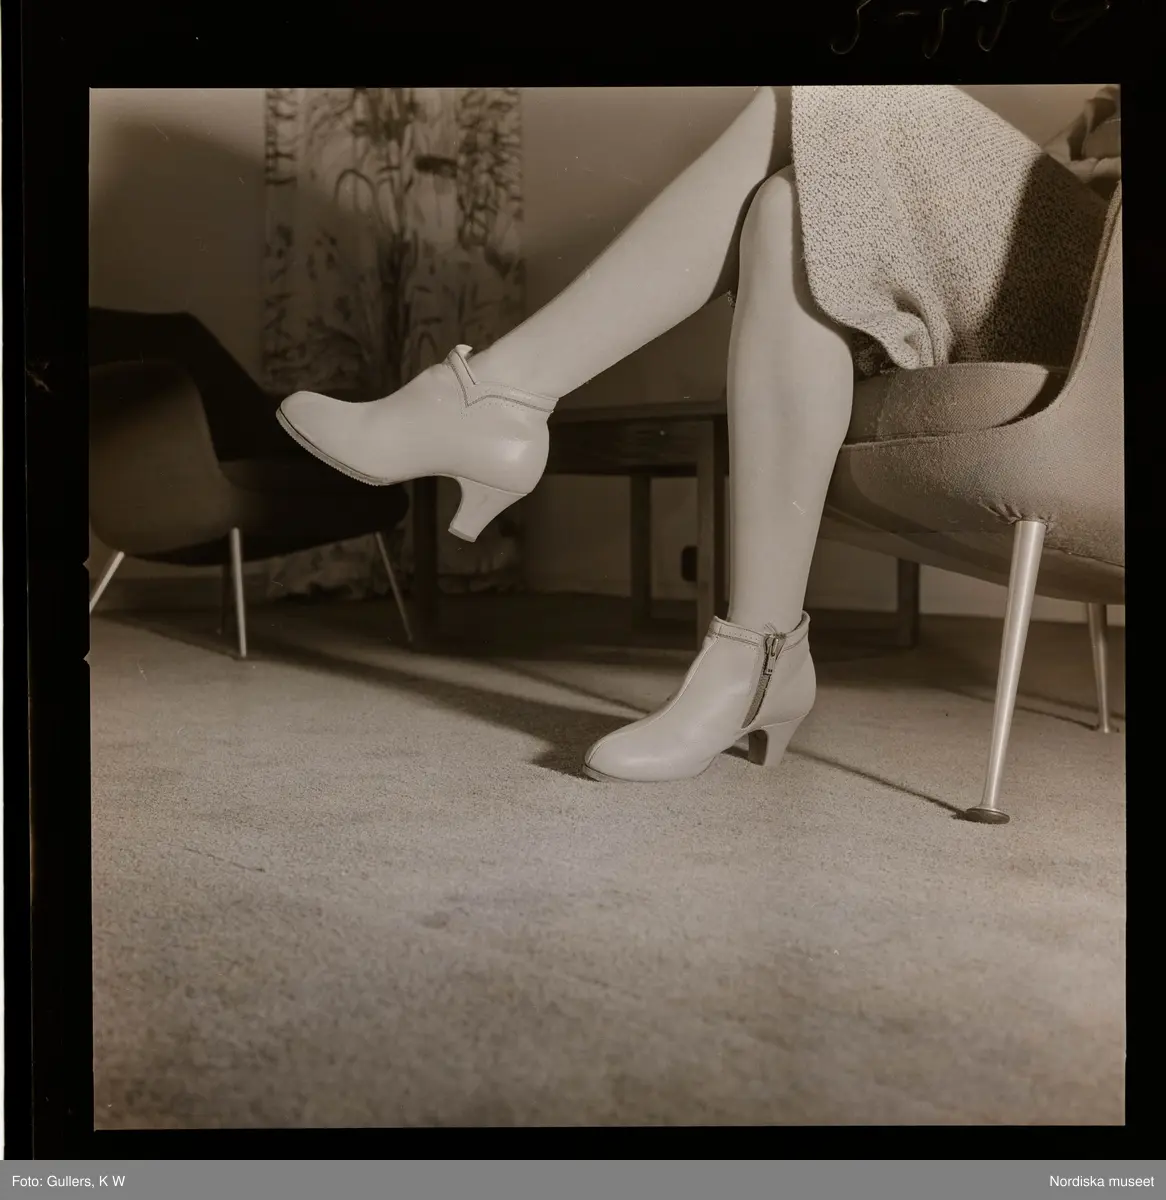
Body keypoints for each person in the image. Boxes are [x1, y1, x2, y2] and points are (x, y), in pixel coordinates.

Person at [277, 84, 1120, 783]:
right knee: (789, 213)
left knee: (847, 94)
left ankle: (494, 399)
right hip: (1061, 234)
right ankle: (759, 654)